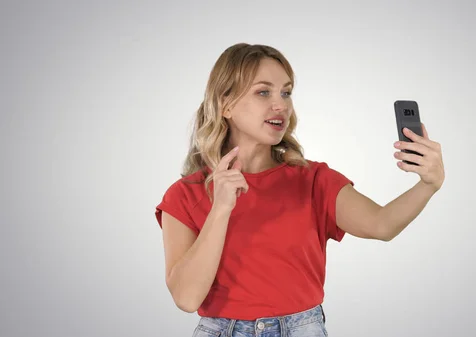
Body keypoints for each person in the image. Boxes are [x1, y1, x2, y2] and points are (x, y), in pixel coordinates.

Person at [154, 43, 445, 337]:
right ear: (226, 104)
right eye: (263, 92)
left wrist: (429, 184)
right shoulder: (184, 195)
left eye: (286, 92)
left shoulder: (314, 180)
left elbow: (382, 225)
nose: (280, 104)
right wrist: (220, 209)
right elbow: (186, 298)